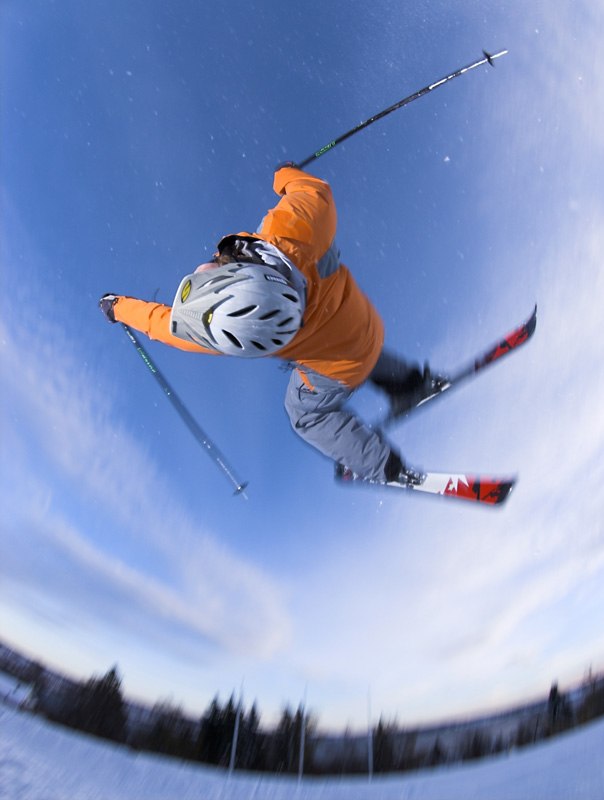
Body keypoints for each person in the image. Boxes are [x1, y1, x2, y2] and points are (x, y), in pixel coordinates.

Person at [99, 164, 444, 484]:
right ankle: (412, 384)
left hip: (340, 365)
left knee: (304, 412)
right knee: (353, 346)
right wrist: (285, 174)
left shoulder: (217, 332)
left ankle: (381, 465)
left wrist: (119, 308)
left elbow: (161, 325)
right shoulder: (295, 231)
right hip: (365, 326)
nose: (200, 268)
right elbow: (315, 191)